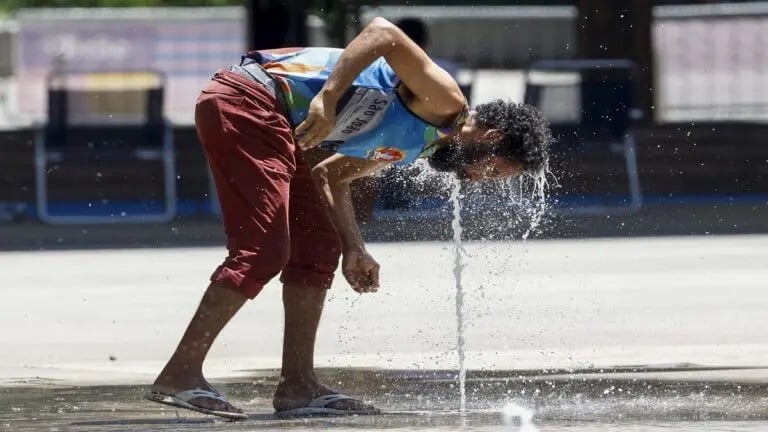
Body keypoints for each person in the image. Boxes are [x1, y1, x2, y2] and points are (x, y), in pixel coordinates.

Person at [144, 16, 553, 420]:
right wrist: (328, 96)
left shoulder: (421, 144)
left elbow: (331, 175)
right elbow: (384, 32)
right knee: (264, 251)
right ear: (493, 138)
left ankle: (298, 385)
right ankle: (181, 372)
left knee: (320, 247)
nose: (482, 180)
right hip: (250, 98)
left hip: (284, 125)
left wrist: (354, 247)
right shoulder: (446, 101)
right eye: (495, 170)